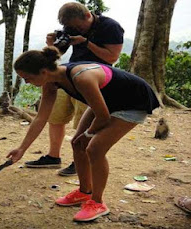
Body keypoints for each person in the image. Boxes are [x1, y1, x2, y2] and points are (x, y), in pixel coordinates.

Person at [8, 46, 160, 221]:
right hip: (106, 101)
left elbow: (102, 117)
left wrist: (88, 134)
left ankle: (98, 202)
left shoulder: (81, 78)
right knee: (77, 143)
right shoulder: (50, 82)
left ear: (43, 71)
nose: (26, 82)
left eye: (27, 78)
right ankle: (84, 192)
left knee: (94, 148)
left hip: (132, 101)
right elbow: (41, 118)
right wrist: (22, 149)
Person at [24, 2, 124, 177]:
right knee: (56, 117)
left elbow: (112, 57)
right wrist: (51, 45)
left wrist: (86, 43)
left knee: (83, 122)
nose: (76, 30)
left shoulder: (110, 27)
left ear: (87, 15)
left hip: (94, 79)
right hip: (69, 73)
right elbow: (58, 54)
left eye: (78, 26)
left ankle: (80, 160)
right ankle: (53, 156)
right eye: (71, 28)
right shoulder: (71, 28)